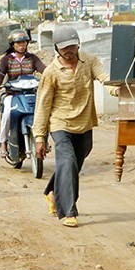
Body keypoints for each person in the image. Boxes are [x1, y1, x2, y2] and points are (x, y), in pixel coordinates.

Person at [32, 26, 117, 228]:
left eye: (72, 46)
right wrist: (39, 137)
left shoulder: (89, 61)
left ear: (78, 44)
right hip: (60, 123)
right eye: (64, 48)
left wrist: (114, 88)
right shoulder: (51, 72)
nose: (69, 51)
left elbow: (103, 77)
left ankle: (52, 192)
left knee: (73, 163)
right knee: (68, 162)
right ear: (56, 49)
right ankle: (68, 211)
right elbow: (43, 105)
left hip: (84, 122)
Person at [0, 29, 46, 159]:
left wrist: (53, 76)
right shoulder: (7, 60)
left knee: (46, 112)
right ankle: (3, 141)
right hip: (13, 94)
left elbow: (44, 70)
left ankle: (44, 140)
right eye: (19, 43)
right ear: (13, 45)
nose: (22, 45)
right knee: (7, 114)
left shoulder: (32, 58)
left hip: (31, 93)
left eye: (24, 42)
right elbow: (0, 74)